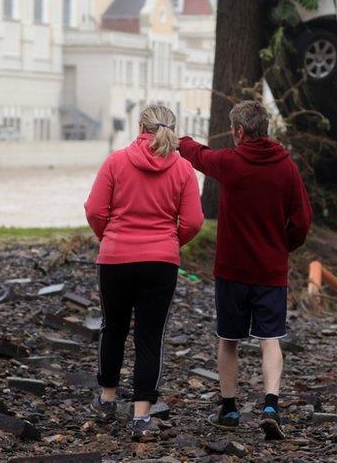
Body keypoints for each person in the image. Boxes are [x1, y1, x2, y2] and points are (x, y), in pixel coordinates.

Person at [179, 100, 312, 440]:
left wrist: (179, 141)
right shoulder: (287, 168)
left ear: (239, 131)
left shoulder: (231, 163)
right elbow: (302, 220)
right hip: (270, 271)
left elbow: (200, 156)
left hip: (232, 270)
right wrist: (284, 246)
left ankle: (229, 409)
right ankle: (270, 405)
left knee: (229, 340)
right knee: (271, 339)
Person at [84, 105, 204, 442]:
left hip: (115, 258)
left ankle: (107, 400)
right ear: (172, 129)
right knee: (150, 337)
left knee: (113, 327)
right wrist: (169, 243)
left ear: (140, 127)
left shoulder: (116, 161)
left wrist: (107, 237)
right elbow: (194, 221)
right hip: (160, 262)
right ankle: (141, 417)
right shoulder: (183, 169)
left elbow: (95, 210)